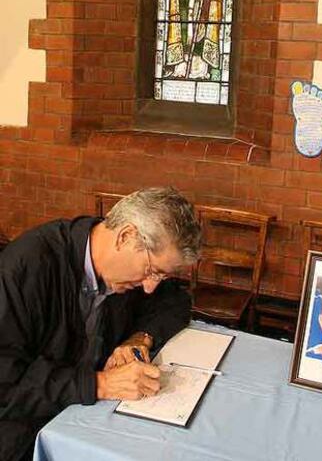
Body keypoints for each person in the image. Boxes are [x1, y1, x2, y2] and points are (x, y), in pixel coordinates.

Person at [0, 187, 201, 461]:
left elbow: (175, 302)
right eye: (152, 271)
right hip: (26, 431)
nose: (151, 287)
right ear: (125, 236)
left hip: (85, 416)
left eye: (162, 277)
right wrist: (99, 384)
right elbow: (5, 381)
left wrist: (140, 338)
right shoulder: (27, 267)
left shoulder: (125, 271)